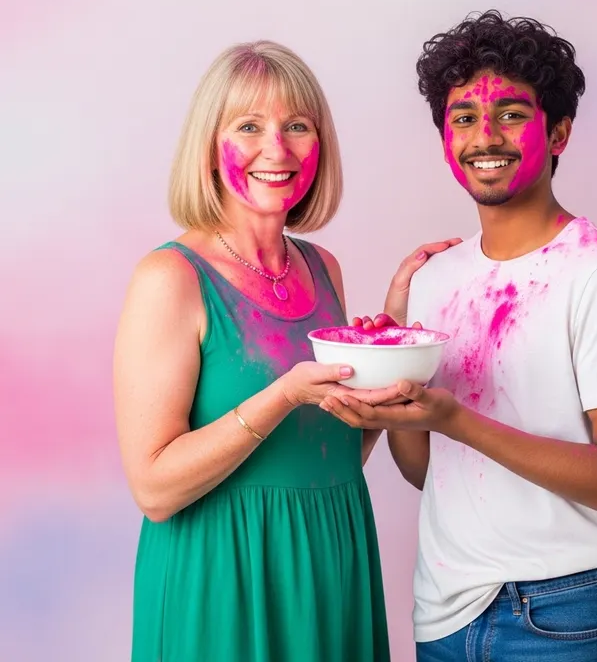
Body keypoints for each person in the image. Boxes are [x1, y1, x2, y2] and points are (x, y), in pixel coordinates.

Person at [321, 10, 597, 661]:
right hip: (444, 613)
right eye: (464, 119)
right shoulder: (435, 279)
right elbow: (425, 470)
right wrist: (390, 382)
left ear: (558, 132)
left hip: (562, 617)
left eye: (510, 113)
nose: (485, 136)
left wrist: (455, 419)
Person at [113, 41, 420, 661]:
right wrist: (281, 396)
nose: (276, 149)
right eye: (249, 126)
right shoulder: (171, 278)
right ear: (209, 145)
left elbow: (330, 454)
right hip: (224, 578)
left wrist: (392, 346)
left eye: (297, 127)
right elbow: (154, 487)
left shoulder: (322, 268)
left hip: (329, 559)